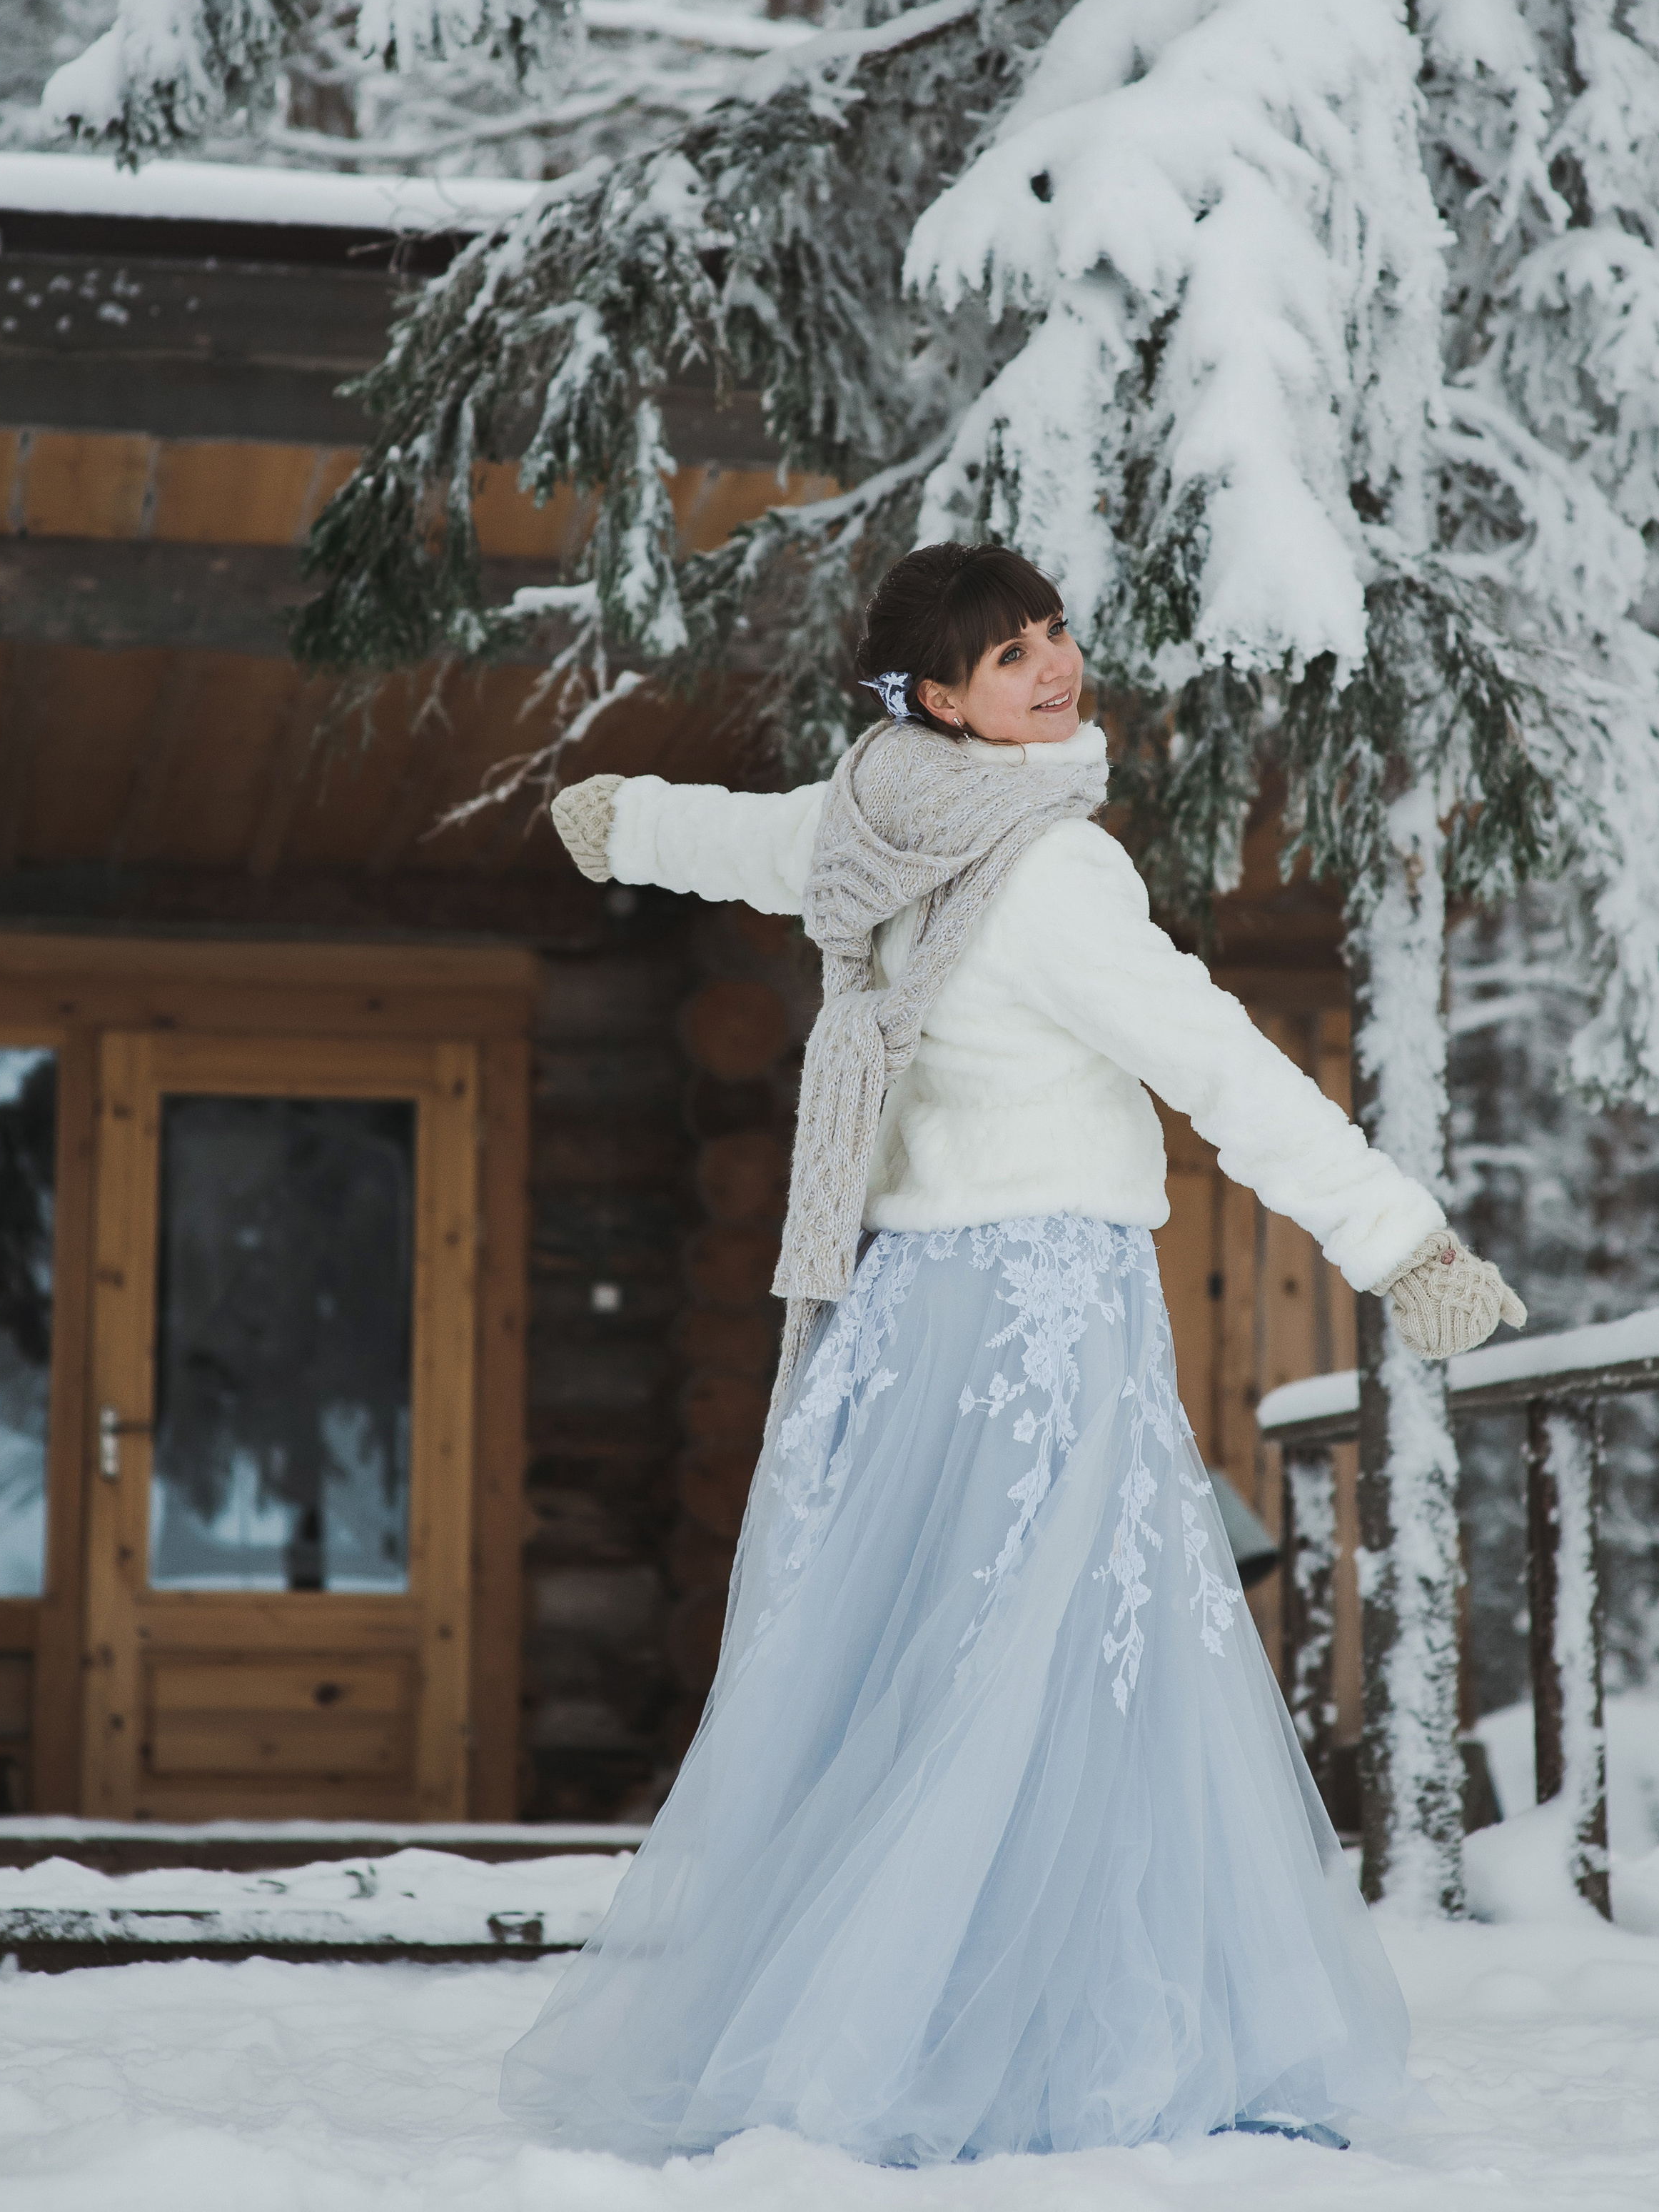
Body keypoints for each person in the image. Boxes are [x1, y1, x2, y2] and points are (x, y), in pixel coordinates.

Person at [504, 541, 1523, 2166]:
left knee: (929, 1669)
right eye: (1005, 659)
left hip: (912, 1317)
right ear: (933, 703)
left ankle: (894, 2019)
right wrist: (1400, 1243)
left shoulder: (882, 818)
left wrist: (629, 816)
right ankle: (1009, 2038)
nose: (1051, 666)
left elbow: (764, 842)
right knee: (1044, 1681)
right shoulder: (1042, 867)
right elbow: (1219, 1062)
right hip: (1035, 1317)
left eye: (1050, 634)